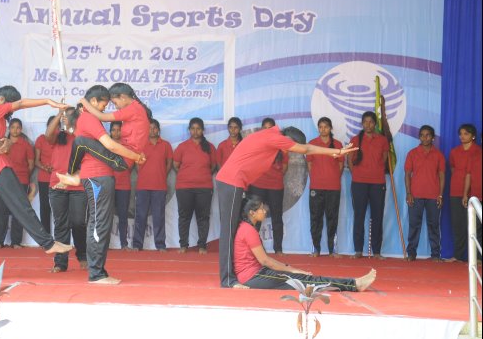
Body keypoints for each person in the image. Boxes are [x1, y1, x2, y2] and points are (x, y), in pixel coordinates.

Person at [216, 123, 356, 288]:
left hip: (234, 181)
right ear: (287, 139)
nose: (289, 150)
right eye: (291, 147)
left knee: (237, 227)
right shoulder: (276, 138)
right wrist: (336, 152)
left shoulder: (270, 136)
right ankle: (227, 280)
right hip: (231, 181)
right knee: (229, 230)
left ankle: (239, 272)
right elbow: (307, 149)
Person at [0, 85, 71, 253]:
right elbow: (21, 104)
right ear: (2, 99)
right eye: (11, 106)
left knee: (21, 205)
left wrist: (6, 143)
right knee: (21, 206)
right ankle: (48, 244)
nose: (12, 110)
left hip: (2, 163)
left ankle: (48, 243)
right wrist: (48, 101)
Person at [68, 85, 145, 285]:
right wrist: (136, 156)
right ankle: (96, 274)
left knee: (100, 222)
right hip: (97, 177)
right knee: (98, 223)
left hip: (101, 175)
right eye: (104, 104)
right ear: (93, 101)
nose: (106, 107)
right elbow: (109, 145)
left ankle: (98, 271)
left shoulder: (90, 118)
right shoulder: (89, 118)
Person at [233, 198, 376, 291]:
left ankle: (352, 284)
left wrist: (290, 269)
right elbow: (266, 261)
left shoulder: (246, 227)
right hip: (253, 276)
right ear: (252, 213)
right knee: (303, 280)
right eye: (261, 209)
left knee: (303, 279)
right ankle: (354, 285)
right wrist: (293, 270)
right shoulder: (248, 231)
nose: (265, 211)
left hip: (255, 274)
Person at [56, 82, 149, 187]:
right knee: (84, 141)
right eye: (104, 105)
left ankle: (71, 175)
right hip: (120, 159)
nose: (115, 107)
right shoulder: (136, 109)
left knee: (80, 141)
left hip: (122, 160)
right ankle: (75, 175)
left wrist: (85, 102)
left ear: (123, 97)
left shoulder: (133, 109)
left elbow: (103, 117)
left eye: (115, 103)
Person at [45, 107, 88, 272]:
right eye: (63, 116)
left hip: (78, 186)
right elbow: (48, 134)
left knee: (78, 222)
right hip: (57, 185)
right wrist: (59, 114)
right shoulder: (58, 136)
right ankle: (60, 263)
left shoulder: (82, 136)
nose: (65, 118)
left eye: (68, 116)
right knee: (61, 224)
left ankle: (82, 255)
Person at [348, 104, 392, 259]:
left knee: (377, 216)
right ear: (362, 124)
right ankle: (358, 251)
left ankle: (377, 251)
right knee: (359, 216)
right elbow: (349, 161)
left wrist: (374, 172)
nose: (368, 125)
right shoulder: (355, 140)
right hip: (359, 183)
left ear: (375, 124)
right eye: (365, 122)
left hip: (378, 183)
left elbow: (384, 159)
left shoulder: (382, 140)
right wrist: (357, 175)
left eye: (371, 122)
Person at [173, 117, 217, 254]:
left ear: (203, 130)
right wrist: (188, 176)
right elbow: (176, 165)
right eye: (193, 128)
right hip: (184, 188)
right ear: (189, 130)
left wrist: (201, 176)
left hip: (204, 187)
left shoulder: (210, 147)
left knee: (203, 217)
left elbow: (213, 166)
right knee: (184, 217)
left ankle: (202, 246)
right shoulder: (182, 146)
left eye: (198, 129)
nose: (195, 131)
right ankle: (183, 245)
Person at [247, 118, 289, 255]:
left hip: (275, 186)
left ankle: (278, 249)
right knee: (255, 217)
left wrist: (273, 176)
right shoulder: (255, 144)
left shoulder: (281, 145)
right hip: (257, 185)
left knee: (277, 217)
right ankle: (252, 249)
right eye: (264, 128)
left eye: (270, 128)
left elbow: (284, 167)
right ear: (261, 129)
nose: (267, 130)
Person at [404, 125, 445, 261]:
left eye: (428, 135)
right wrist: (409, 193)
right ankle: (411, 254)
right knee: (414, 225)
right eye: (422, 135)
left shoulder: (438, 155)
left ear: (433, 138)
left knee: (434, 226)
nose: (424, 138)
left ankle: (435, 254)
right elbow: (407, 174)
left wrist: (440, 195)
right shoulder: (412, 153)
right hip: (415, 195)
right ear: (419, 137)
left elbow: (442, 176)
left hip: (433, 196)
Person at [0, 117, 34, 248]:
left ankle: (16, 242)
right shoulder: (2, 143)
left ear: (21, 129)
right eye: (13, 127)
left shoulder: (26, 145)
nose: (15, 130)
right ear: (8, 129)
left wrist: (22, 174)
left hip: (21, 180)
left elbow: (31, 165)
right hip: (4, 180)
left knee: (19, 211)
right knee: (1, 211)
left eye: (18, 128)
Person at [306, 117, 344, 257]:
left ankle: (332, 250)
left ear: (330, 128)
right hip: (316, 187)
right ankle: (315, 249)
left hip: (333, 187)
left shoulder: (338, 144)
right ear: (318, 128)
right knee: (315, 218)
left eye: (326, 127)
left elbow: (340, 165)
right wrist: (317, 178)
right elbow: (309, 164)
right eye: (320, 127)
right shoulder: (312, 144)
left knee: (332, 218)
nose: (323, 129)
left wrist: (332, 178)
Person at [133, 118, 173, 251]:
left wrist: (161, 174)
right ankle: (137, 244)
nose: (152, 130)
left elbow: (169, 163)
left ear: (158, 130)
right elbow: (137, 164)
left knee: (159, 217)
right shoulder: (141, 144)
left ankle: (160, 245)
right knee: (140, 216)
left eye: (154, 128)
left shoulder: (166, 145)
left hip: (159, 187)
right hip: (142, 186)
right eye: (149, 128)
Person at [449, 124, 480, 261]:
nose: (462, 136)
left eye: (466, 133)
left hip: (475, 192)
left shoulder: (478, 152)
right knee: (458, 225)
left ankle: (477, 258)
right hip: (456, 191)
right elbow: (453, 169)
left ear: (473, 136)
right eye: (460, 133)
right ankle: (458, 256)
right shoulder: (454, 151)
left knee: (476, 226)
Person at [110, 121, 134, 249]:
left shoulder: (127, 146)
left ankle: (124, 243)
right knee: (106, 216)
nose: (116, 133)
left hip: (123, 185)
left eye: (118, 130)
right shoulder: (106, 145)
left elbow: (129, 165)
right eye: (113, 130)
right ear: (110, 131)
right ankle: (104, 244)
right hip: (108, 185)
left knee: (123, 215)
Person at [33, 115, 56, 232]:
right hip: (44, 178)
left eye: (57, 126)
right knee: (45, 207)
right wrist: (45, 168)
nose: (54, 129)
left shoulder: (62, 140)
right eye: (52, 126)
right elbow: (36, 161)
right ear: (47, 127)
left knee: (59, 208)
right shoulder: (41, 139)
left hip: (59, 179)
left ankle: (60, 238)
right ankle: (46, 237)